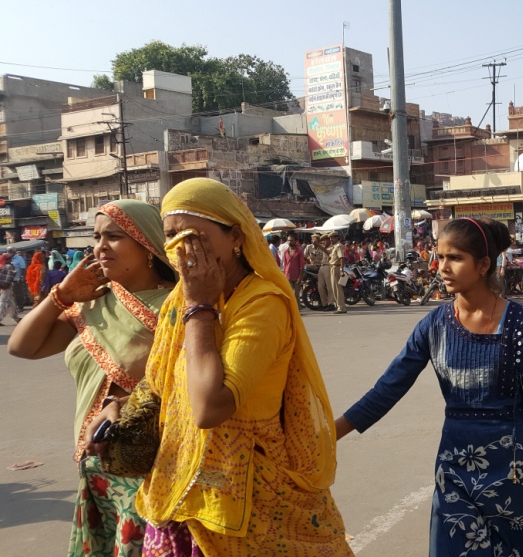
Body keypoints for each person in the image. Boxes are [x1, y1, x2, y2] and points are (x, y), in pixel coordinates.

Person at [87, 178, 353, 556]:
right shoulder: (178, 301)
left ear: (236, 238)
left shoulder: (261, 304)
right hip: (179, 493)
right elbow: (168, 385)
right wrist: (122, 406)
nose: (181, 248)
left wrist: (200, 306)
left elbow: (209, 407)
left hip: (249, 505)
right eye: (170, 237)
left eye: (193, 235)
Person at [336, 217, 523, 556]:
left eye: (455, 258)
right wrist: (328, 435)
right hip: (454, 471)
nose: (442, 267)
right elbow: (387, 389)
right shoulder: (433, 325)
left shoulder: (522, 324)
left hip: (515, 473)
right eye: (439, 257)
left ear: (483, 264)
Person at [8, 200, 176, 557]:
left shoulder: (177, 305)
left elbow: (184, 383)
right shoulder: (92, 303)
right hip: (96, 463)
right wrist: (61, 296)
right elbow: (23, 348)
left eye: (114, 236)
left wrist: (124, 403)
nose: (100, 246)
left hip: (150, 461)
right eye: (97, 236)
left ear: (147, 243)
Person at [281, 233, 305, 303]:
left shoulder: (299, 251)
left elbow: (301, 265)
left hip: (297, 276)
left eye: (291, 240)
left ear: (295, 241)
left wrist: (300, 277)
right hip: (288, 275)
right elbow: (285, 264)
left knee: (296, 295)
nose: (290, 242)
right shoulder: (285, 251)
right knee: (290, 295)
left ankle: (297, 312)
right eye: (288, 240)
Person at [328, 233, 347, 314]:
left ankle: (341, 307)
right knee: (334, 288)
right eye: (330, 238)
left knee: (337, 288)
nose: (331, 240)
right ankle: (339, 306)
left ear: (337, 237)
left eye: (332, 238)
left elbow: (341, 258)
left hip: (336, 268)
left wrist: (341, 269)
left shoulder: (338, 246)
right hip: (332, 267)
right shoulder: (334, 246)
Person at [0, 253, 19, 325]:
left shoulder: (1, 266)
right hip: (7, 287)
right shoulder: (9, 266)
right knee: (3, 301)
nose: (11, 259)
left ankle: (15, 317)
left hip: (2, 286)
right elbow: (9, 277)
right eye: (10, 258)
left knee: (11, 303)